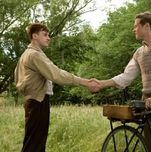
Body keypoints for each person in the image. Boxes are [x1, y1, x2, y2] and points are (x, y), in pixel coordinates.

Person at [92, 12, 151, 152]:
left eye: (136, 26)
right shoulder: (139, 53)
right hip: (147, 102)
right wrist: (101, 83)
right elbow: (126, 77)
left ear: (146, 26)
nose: (133, 29)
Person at [14, 23, 100, 152]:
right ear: (35, 36)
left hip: (34, 101)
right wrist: (85, 82)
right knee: (35, 145)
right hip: (37, 101)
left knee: (33, 142)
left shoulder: (28, 54)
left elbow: (17, 78)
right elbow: (57, 74)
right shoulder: (34, 55)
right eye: (45, 34)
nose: (48, 38)